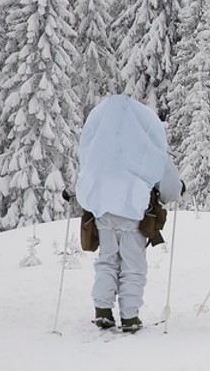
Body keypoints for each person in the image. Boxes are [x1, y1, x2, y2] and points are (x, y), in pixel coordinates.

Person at [75, 95, 183, 333]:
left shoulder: (100, 147)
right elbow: (169, 187)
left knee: (107, 260)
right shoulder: (146, 146)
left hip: (103, 210)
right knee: (133, 265)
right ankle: (130, 316)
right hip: (133, 211)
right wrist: (174, 192)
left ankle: (102, 309)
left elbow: (84, 173)